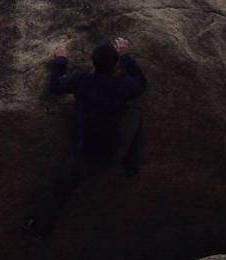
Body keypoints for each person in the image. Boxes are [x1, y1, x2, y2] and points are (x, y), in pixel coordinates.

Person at [24, 36, 147, 239]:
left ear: (93, 61)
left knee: (61, 190)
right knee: (135, 113)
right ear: (115, 65)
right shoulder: (121, 87)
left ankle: (41, 229)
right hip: (112, 155)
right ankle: (131, 165)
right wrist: (126, 57)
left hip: (83, 157)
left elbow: (55, 86)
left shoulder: (82, 81)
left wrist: (61, 60)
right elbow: (141, 83)